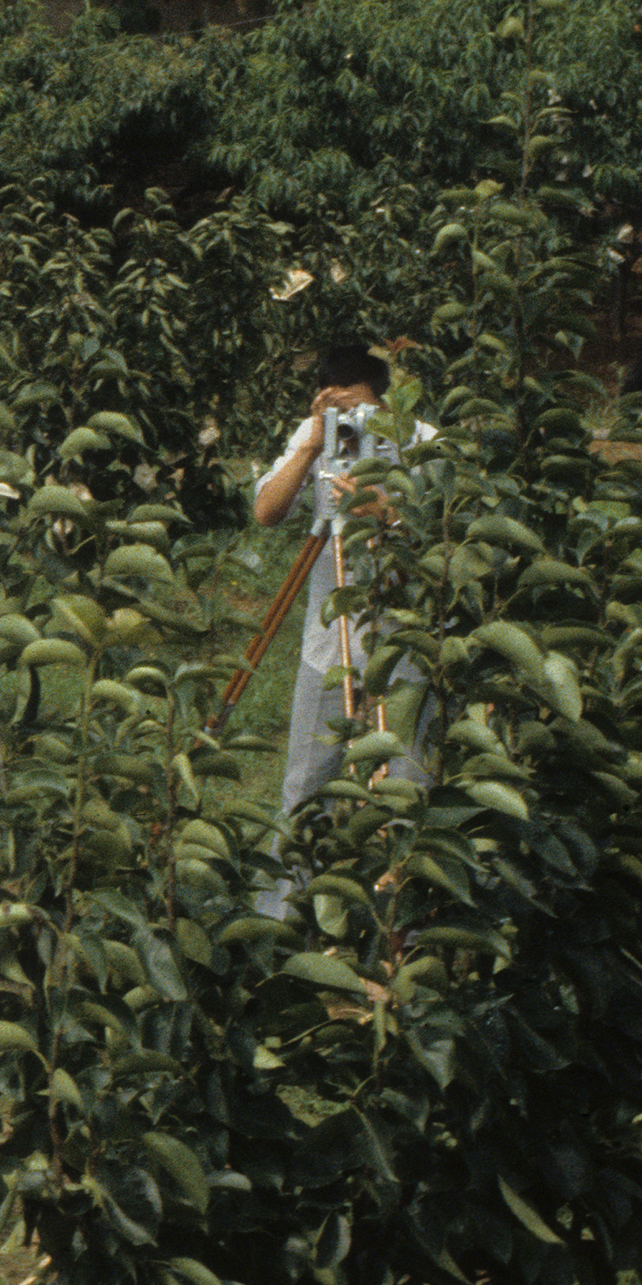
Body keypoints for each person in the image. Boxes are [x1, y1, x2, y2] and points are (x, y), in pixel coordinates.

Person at [249, 340, 431, 919]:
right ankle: (289, 917)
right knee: (306, 789)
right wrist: (310, 440)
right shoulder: (317, 442)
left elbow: (447, 538)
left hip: (404, 644)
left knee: (406, 788)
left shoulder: (425, 442)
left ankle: (403, 925)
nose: (352, 425)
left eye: (361, 410)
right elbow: (267, 511)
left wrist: (390, 512)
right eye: (341, 411)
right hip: (330, 645)